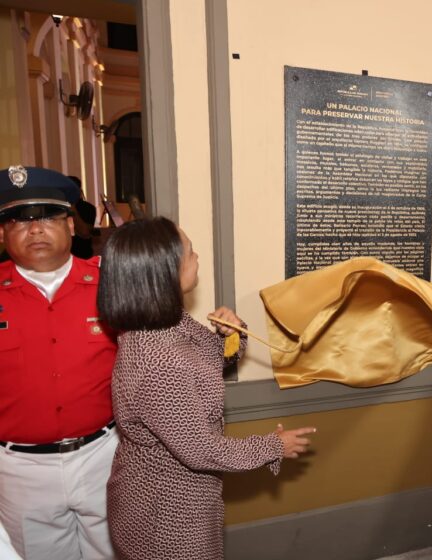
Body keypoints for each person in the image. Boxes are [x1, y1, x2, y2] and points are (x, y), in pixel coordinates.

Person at [98, 217, 316, 559]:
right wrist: (273, 446)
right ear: (163, 272)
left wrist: (232, 336)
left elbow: (214, 359)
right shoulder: (159, 361)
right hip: (166, 514)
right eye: (189, 252)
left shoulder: (167, 323)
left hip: (190, 497)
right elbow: (203, 451)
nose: (196, 256)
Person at [0, 165, 118, 559]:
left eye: (48, 217)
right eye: (18, 219)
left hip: (105, 456)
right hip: (21, 471)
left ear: (70, 225)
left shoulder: (112, 285)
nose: (35, 230)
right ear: (2, 233)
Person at [67, 175, 97, 259]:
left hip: (82, 256)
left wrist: (72, 209)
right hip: (61, 258)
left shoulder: (88, 208)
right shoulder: (57, 208)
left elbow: (85, 232)